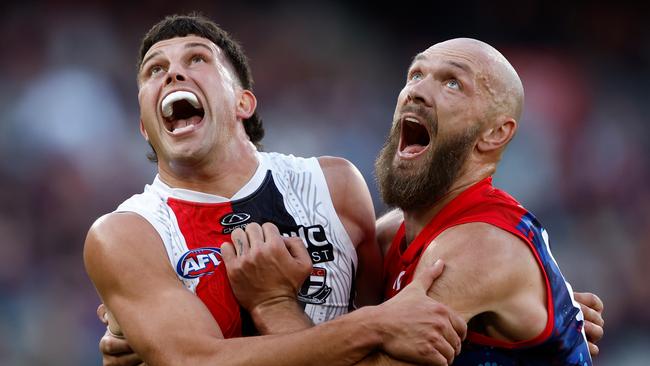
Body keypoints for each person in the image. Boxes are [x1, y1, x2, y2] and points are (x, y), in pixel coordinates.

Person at [91, 14, 604, 366]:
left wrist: (273, 303)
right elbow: (191, 361)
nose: (174, 71)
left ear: (244, 101)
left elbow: (444, 290)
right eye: (154, 70)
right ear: (142, 122)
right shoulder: (128, 235)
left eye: (197, 58)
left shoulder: (332, 187)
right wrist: (548, 306)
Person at [371, 38, 600, 364]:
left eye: (452, 83)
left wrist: (279, 307)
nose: (416, 91)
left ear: (495, 133)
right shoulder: (388, 234)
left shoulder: (481, 246)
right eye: (415, 74)